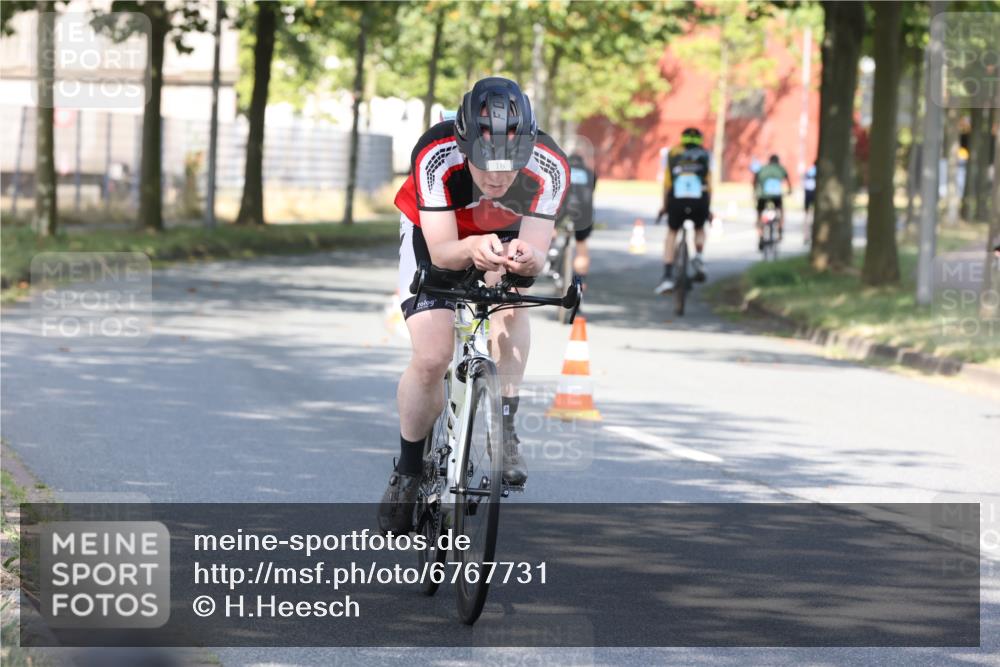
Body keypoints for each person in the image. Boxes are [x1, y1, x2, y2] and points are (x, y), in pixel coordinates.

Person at [378, 77, 569, 535]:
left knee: (512, 303)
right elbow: (444, 252)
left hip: (504, 231)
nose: (498, 178)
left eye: (509, 166)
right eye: (485, 166)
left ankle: (504, 426)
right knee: (432, 355)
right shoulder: (436, 153)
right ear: (464, 147)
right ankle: (408, 472)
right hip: (436, 231)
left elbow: (536, 253)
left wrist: (525, 259)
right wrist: (471, 249)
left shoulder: (549, 166)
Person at [655, 127, 711, 294]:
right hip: (699, 200)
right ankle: (699, 256)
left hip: (676, 200)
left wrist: (664, 206)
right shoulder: (705, 155)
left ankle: (667, 276)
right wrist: (708, 207)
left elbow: (667, 183)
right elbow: (709, 184)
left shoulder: (673, 154)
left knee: (672, 232)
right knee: (699, 227)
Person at [559, 153, 597, 290]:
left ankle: (550, 255)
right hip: (584, 210)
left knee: (550, 230)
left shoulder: (563, 169)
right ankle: (581, 281)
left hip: (564, 207)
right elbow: (592, 190)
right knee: (581, 245)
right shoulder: (590, 173)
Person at [753, 154, 792, 249]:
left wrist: (754, 191)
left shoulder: (762, 168)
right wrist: (790, 190)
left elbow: (755, 180)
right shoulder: (780, 169)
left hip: (763, 196)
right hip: (776, 197)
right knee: (781, 211)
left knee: (759, 214)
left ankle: (761, 235)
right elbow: (788, 180)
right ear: (778, 161)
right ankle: (780, 229)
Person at [803, 162, 817, 245]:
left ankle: (806, 236)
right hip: (815, 192)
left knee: (807, 216)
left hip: (807, 192)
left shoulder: (809, 170)